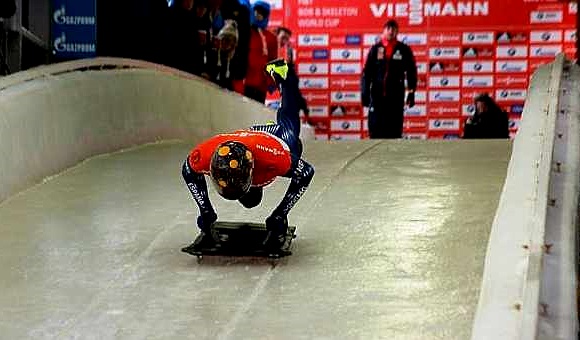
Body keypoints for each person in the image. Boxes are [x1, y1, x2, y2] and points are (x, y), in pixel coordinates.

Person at [181, 59, 315, 251]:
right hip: (246, 138)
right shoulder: (204, 154)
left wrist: (281, 212)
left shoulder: (274, 158)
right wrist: (205, 210)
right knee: (250, 201)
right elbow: (188, 170)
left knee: (292, 132)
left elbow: (306, 172)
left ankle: (283, 76)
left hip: (272, 140)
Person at [361, 19, 417, 139]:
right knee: (375, 128)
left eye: (394, 29)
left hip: (395, 96)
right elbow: (367, 72)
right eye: (388, 28)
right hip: (377, 95)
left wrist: (412, 91)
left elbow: (412, 70)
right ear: (384, 30)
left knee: (394, 130)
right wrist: (364, 91)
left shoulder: (403, 49)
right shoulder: (375, 49)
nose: (391, 31)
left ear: (397, 31)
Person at [244, 1, 278, 103]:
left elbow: (272, 60)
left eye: (262, 13)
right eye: (256, 11)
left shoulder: (271, 38)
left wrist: (272, 80)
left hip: (261, 85)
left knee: (257, 113)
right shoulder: (245, 32)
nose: (257, 15)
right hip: (245, 81)